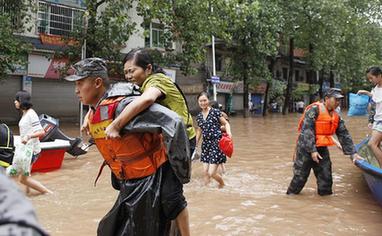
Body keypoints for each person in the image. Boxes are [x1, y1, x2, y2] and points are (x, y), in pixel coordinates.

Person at [65, 58, 191, 236]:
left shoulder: (122, 106)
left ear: (97, 83)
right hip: (130, 182)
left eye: (80, 83)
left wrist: (179, 173)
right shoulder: (97, 109)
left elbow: (174, 122)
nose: (76, 90)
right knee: (109, 229)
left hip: (150, 181)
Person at [287, 88, 363, 196]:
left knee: (326, 178)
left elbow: (344, 134)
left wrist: (353, 153)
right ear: (327, 99)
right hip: (305, 148)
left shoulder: (336, 116)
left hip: (322, 148)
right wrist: (312, 150)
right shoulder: (314, 110)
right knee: (300, 178)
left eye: (339, 100)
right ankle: (290, 197)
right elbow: (307, 130)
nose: (337, 102)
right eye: (335, 99)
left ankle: (325, 201)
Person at [12, 91, 52, 195]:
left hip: (32, 151)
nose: (14, 102)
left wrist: (28, 136)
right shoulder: (25, 113)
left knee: (22, 179)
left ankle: (48, 193)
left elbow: (42, 132)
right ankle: (27, 195)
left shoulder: (31, 114)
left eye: (16, 100)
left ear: (21, 101)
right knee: (25, 176)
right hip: (26, 149)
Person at [196, 92, 232, 188]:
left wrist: (229, 135)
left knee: (211, 173)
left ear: (208, 101)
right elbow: (199, 130)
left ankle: (223, 184)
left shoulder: (215, 112)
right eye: (200, 101)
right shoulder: (199, 116)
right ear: (198, 102)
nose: (203, 103)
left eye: (204, 100)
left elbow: (226, 124)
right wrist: (195, 143)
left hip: (217, 144)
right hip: (206, 145)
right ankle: (206, 192)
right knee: (205, 173)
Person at [357, 66, 382, 166]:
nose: (370, 80)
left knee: (372, 144)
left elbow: (378, 98)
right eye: (369, 79)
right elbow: (373, 106)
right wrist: (370, 121)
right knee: (377, 145)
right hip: (377, 120)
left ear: (379, 76)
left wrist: (367, 93)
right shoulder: (375, 89)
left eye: (372, 78)